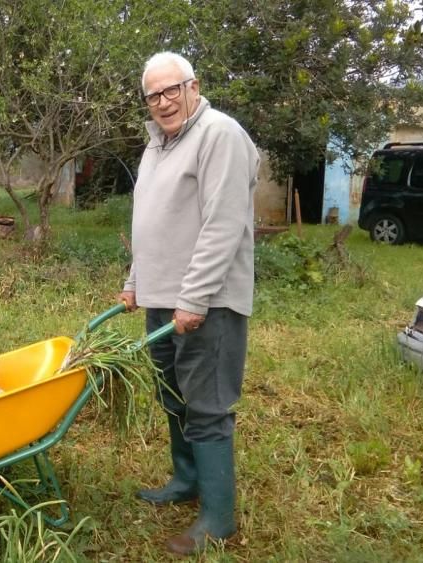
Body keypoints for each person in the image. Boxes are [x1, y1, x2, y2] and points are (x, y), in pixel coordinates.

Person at [118, 51, 259, 556]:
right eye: (153, 95)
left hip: (206, 304)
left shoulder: (219, 134)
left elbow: (223, 225)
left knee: (206, 406)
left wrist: (194, 297)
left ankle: (218, 518)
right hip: (162, 301)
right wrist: (136, 280)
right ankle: (186, 481)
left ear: (193, 87)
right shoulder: (157, 145)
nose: (162, 102)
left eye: (171, 90)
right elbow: (149, 222)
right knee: (173, 398)